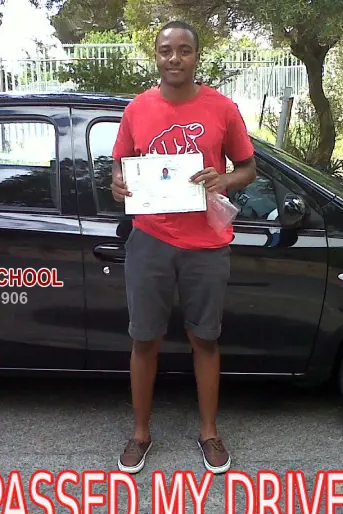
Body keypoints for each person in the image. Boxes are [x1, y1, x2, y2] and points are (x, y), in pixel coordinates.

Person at [110, 20, 256, 474]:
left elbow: (248, 168)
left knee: (205, 339)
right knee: (144, 339)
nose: (174, 58)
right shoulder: (137, 109)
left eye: (184, 50)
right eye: (166, 50)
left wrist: (224, 178)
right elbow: (119, 167)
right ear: (156, 55)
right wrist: (118, 184)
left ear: (196, 55)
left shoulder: (222, 108)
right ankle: (140, 434)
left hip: (207, 243)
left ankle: (209, 432)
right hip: (150, 239)